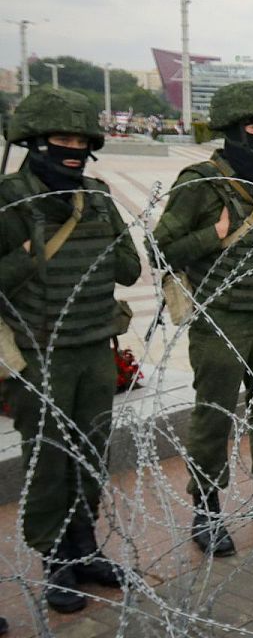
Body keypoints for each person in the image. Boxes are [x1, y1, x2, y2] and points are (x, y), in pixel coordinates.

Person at [152, 81, 253, 557]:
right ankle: (207, 506)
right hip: (219, 318)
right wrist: (213, 235)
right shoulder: (199, 182)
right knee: (214, 415)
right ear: (233, 131)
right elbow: (160, 247)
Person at [0, 88, 142, 612]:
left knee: (88, 454)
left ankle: (84, 546)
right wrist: (27, 257)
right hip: (40, 354)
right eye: (61, 140)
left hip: (93, 349)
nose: (72, 150)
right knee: (50, 459)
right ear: (35, 142)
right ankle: (54, 558)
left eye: (81, 141)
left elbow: (129, 268)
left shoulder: (97, 197)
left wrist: (100, 235)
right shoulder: (9, 199)